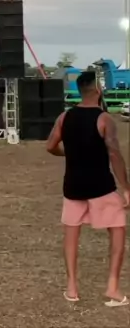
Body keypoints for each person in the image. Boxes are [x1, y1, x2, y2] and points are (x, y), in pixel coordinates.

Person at [46, 71, 129, 306]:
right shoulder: (104, 119)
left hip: (72, 187)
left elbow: (51, 146)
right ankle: (112, 288)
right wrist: (126, 188)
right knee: (118, 230)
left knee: (71, 235)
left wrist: (69, 153)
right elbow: (114, 153)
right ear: (98, 89)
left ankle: (72, 288)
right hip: (101, 187)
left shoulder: (64, 117)